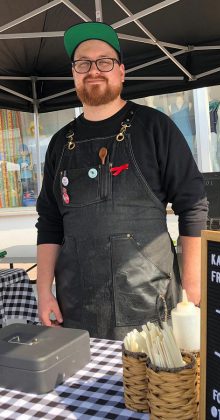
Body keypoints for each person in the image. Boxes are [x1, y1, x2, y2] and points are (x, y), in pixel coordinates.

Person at [36, 21, 208, 340]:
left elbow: (193, 206)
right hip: (75, 308)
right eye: (83, 63)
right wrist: (43, 291)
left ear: (121, 72)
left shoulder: (155, 128)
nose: (94, 70)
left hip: (150, 303)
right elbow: (49, 221)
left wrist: (194, 286)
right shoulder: (60, 144)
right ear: (74, 73)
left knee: (152, 390)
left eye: (105, 61)